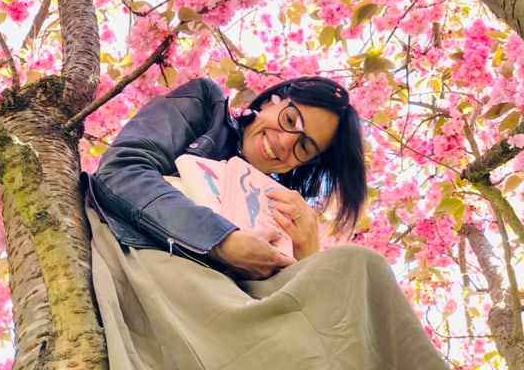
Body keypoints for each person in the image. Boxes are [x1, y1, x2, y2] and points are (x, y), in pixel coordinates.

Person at [81, 76, 449, 370]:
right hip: (151, 256)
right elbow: (121, 170)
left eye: (304, 148)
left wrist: (306, 256)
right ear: (273, 100)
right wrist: (224, 241)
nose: (286, 142)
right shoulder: (207, 106)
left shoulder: (278, 204)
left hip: (239, 296)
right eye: (291, 120)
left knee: (360, 267)